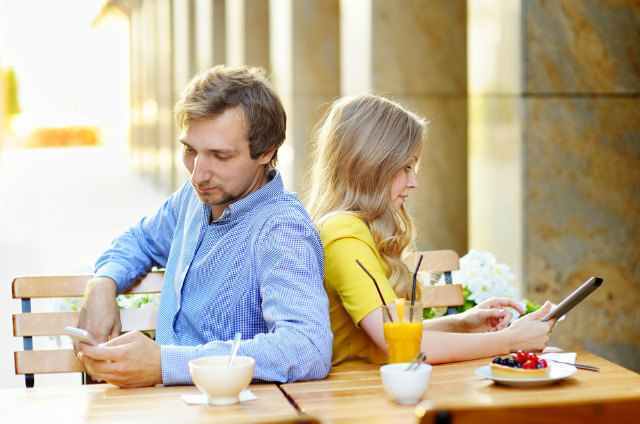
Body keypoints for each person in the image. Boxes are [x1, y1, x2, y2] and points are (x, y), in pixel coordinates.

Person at [76, 66, 332, 387]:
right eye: (190, 151)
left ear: (266, 152)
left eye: (220, 156)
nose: (198, 175)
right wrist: (102, 283)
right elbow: (140, 240)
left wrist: (164, 364)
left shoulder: (281, 229)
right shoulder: (193, 198)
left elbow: (307, 347)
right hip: (170, 408)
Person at [307, 94, 553, 365]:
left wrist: (462, 323)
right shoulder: (343, 234)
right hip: (357, 397)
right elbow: (400, 344)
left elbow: (384, 337)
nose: (414, 182)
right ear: (370, 165)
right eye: (406, 167)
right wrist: (511, 340)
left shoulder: (353, 228)